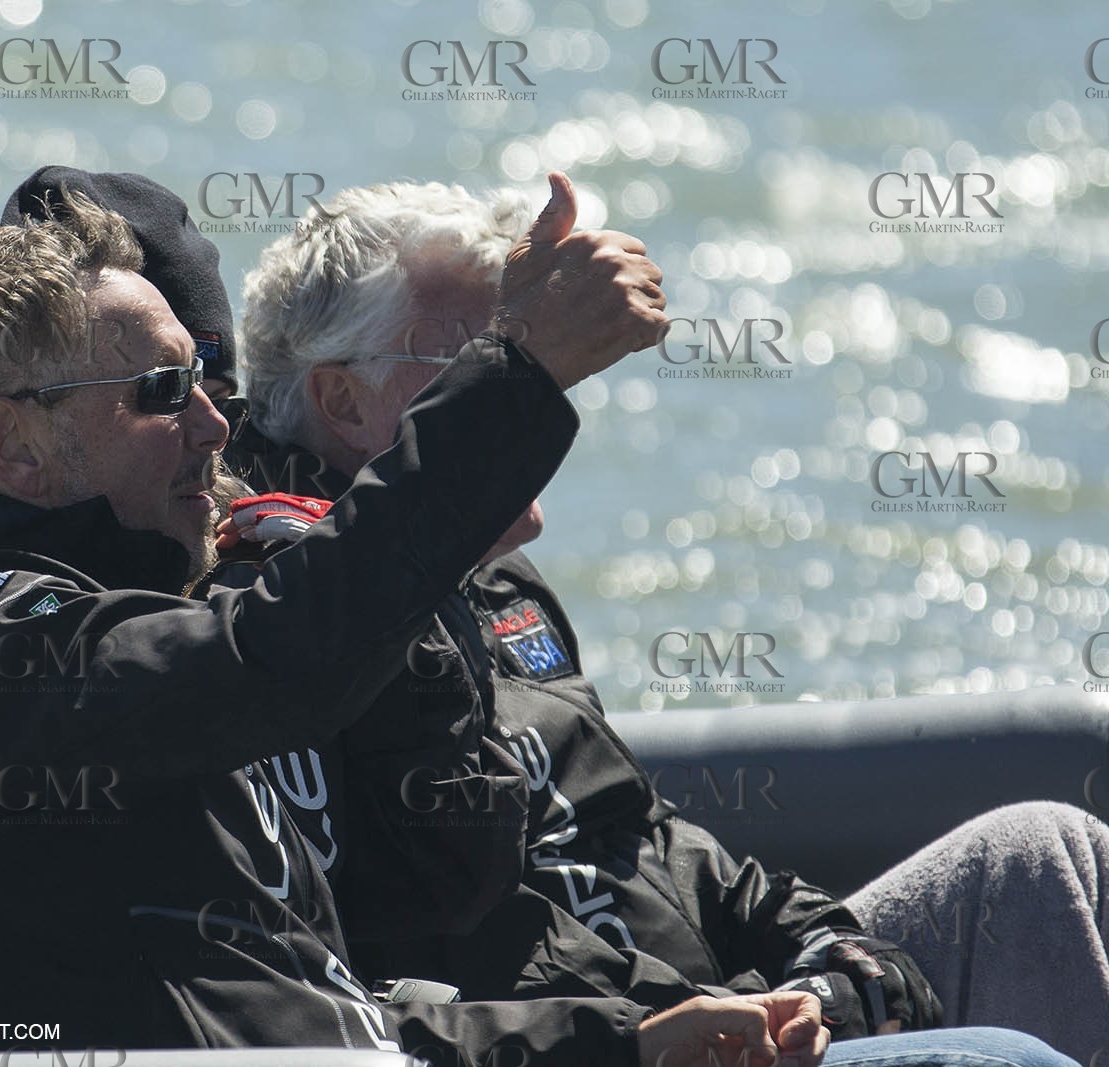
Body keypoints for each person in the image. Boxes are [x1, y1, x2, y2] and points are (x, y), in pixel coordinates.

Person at [0, 168, 1081, 1067]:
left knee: (1042, 867)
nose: (211, 422)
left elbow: (334, 1020)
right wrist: (525, 373)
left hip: (540, 1027)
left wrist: (646, 1031)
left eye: (202, 378)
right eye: (156, 394)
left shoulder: (128, 648)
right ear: (11, 446)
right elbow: (279, 666)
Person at [232, 178, 1109, 1062]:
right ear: (343, 402)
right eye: (484, 359)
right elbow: (467, 938)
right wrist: (676, 1018)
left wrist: (824, 953)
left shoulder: (498, 586)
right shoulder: (293, 627)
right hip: (612, 1040)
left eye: (519, 351)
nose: (532, 397)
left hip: (717, 1009)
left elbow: (642, 834)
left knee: (1043, 856)